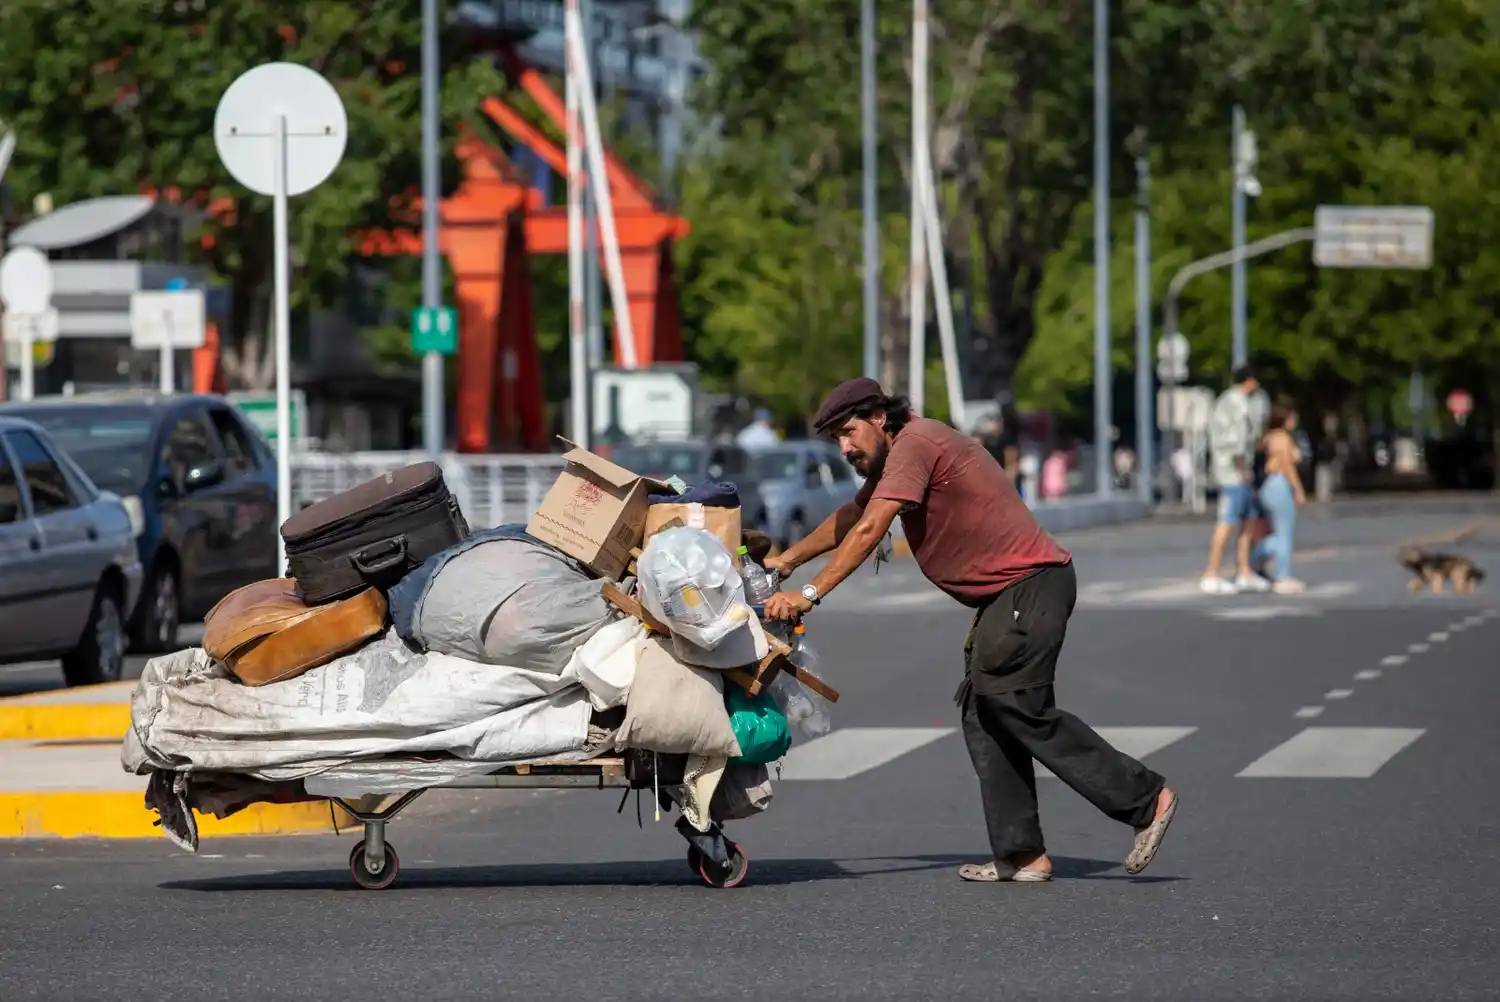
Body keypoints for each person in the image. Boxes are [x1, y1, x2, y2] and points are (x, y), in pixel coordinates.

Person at [761, 378, 1180, 882]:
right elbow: (853, 515)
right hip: (1009, 597)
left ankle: (1145, 799)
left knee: (1017, 705)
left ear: (878, 417)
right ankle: (1022, 854)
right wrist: (786, 561)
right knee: (985, 712)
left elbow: (872, 530)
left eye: (849, 433)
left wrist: (808, 594)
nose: (845, 448)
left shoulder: (915, 444)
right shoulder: (902, 451)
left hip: (1030, 587)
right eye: (836, 440)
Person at [1201, 364, 1271, 594]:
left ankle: (1244, 570)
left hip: (1235, 470)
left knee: (1248, 520)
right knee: (1228, 521)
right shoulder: (1238, 404)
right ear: (1249, 381)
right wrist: (1244, 474)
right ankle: (1212, 572)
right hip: (1233, 472)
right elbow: (1238, 444)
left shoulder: (1227, 400)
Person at [1252, 403, 1308, 593]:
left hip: (1268, 485)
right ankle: (1280, 575)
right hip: (1280, 484)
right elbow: (1286, 466)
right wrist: (1298, 490)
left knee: (1276, 531)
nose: (1295, 421)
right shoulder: (1282, 438)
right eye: (1292, 417)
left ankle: (1254, 560)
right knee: (1284, 533)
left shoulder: (1267, 437)